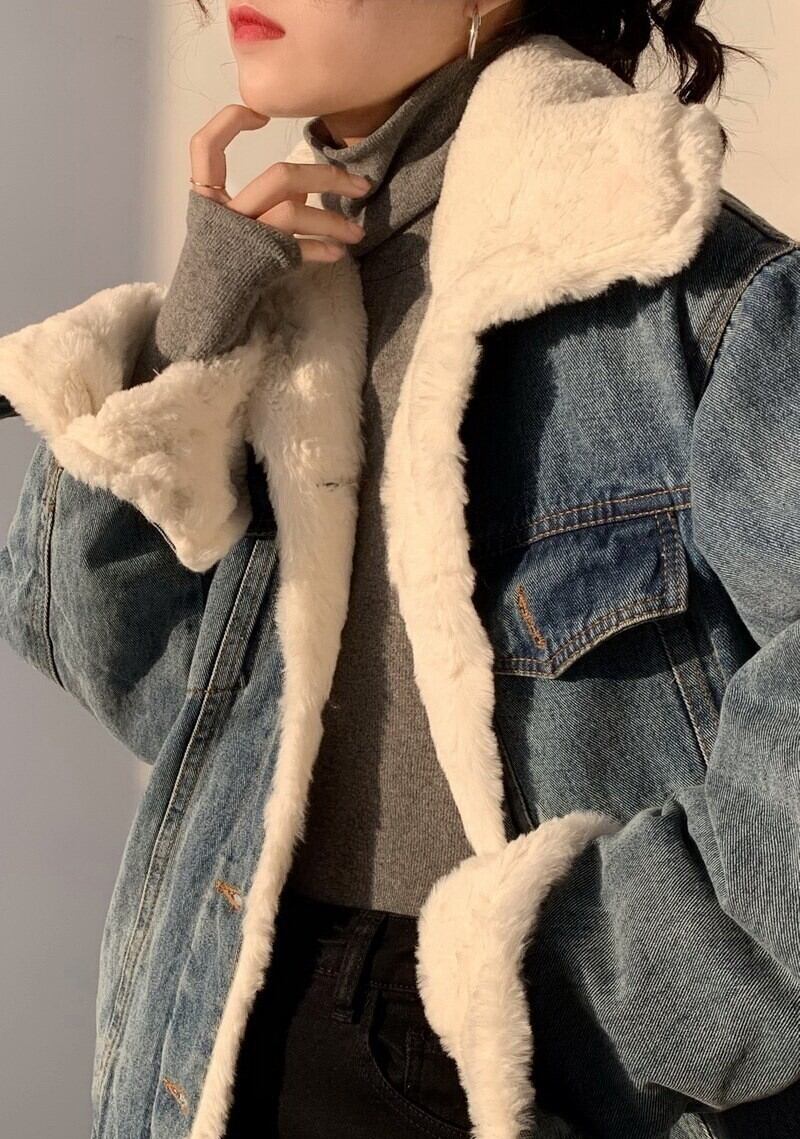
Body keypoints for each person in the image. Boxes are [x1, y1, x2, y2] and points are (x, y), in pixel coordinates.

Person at [1, 2, 799, 1137]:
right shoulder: (277, 281)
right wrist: (191, 338)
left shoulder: (687, 290)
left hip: (534, 1073)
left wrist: (605, 979)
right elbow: (131, 672)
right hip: (225, 1027)